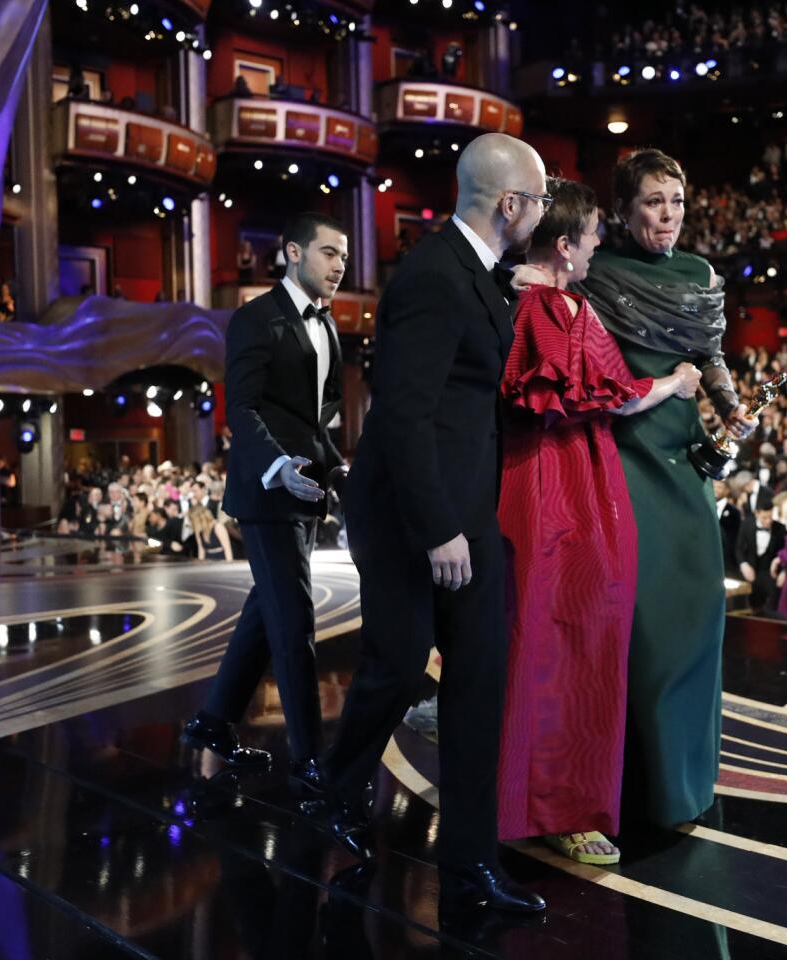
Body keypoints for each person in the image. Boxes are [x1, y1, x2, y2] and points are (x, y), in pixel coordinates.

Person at [323, 133, 549, 914]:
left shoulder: (476, 274)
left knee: (480, 679)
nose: (545, 213)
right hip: (412, 515)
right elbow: (406, 417)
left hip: (465, 510)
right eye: (540, 199)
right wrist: (437, 530)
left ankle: (469, 865)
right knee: (396, 661)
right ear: (509, 204)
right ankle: (332, 781)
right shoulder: (432, 277)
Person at [495, 178, 703, 866]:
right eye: (589, 239)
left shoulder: (541, 298)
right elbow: (607, 397)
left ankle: (549, 799)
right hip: (564, 487)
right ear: (566, 245)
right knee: (570, 642)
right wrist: (673, 384)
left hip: (552, 479)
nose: (597, 249)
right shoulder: (556, 308)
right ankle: (562, 806)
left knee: (553, 639)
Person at [574, 148, 755, 828]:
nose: (668, 215)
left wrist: (728, 403)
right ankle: (636, 791)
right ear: (623, 210)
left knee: (697, 615)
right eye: (653, 201)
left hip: (685, 459)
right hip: (622, 452)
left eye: (676, 201)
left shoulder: (699, 272)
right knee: (641, 625)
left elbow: (709, 352)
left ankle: (686, 785)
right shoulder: (597, 274)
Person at [181, 213, 347, 799]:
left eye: (344, 255)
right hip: (268, 493)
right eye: (329, 252)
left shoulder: (328, 327)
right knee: (294, 621)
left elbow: (318, 421)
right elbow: (242, 411)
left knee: (266, 612)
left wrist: (340, 470)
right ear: (293, 252)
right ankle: (309, 760)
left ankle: (210, 723)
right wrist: (280, 466)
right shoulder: (255, 318)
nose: (339, 264)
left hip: (307, 491)